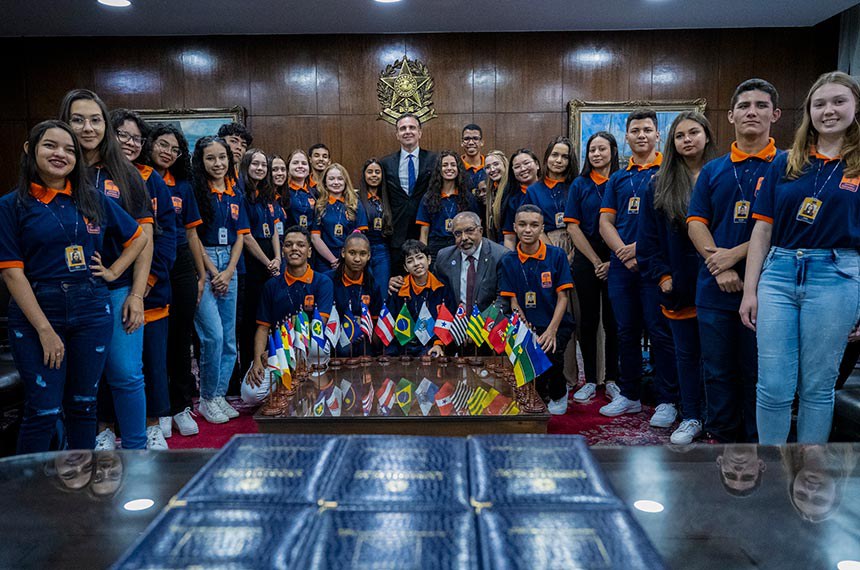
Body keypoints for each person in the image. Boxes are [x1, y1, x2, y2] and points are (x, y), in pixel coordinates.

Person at [0, 120, 146, 453]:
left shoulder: (92, 199)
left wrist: (113, 271)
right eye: (50, 145)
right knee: (43, 409)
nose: (60, 154)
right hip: (38, 312)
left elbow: (138, 238)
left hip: (92, 308)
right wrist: (44, 330)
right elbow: (11, 273)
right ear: (30, 150)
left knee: (84, 404)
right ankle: (31, 494)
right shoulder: (11, 205)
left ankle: (81, 485)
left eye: (69, 150)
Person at [742, 71, 860, 444]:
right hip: (778, 273)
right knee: (773, 385)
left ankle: (811, 478)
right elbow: (761, 231)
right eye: (819, 103)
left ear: (855, 107)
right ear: (808, 111)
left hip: (837, 276)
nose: (829, 111)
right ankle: (775, 474)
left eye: (838, 101)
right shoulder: (785, 163)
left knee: (817, 387)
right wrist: (750, 291)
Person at [687, 78, 783, 443]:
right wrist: (721, 265)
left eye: (760, 105)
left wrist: (737, 255)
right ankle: (722, 441)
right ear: (731, 116)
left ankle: (760, 444)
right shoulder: (713, 170)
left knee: (758, 370)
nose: (752, 112)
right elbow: (696, 222)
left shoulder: (788, 166)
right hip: (714, 288)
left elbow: (783, 228)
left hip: (769, 288)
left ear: (774, 114)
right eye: (744, 106)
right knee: (716, 369)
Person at [59, 89, 154, 451]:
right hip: (64, 294)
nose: (87, 128)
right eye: (77, 119)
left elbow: (145, 236)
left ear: (106, 126)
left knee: (127, 376)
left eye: (95, 120)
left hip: (117, 292)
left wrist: (134, 292)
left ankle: (136, 454)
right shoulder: (57, 166)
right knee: (74, 382)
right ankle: (75, 459)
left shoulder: (126, 174)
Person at [638, 112, 719, 445]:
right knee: (685, 354)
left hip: (720, 281)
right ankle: (691, 415)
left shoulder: (722, 175)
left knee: (717, 357)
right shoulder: (658, 183)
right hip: (679, 285)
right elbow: (648, 241)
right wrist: (663, 278)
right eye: (680, 135)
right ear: (671, 143)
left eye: (694, 133)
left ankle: (718, 416)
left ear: (707, 136)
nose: (688, 140)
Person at [597, 108, 679, 428]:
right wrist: (622, 252)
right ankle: (629, 394)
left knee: (660, 332)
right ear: (627, 137)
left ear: (658, 135)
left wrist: (640, 250)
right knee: (625, 331)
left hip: (655, 265)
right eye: (635, 130)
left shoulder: (670, 173)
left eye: (647, 129)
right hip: (622, 266)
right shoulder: (618, 178)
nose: (641, 135)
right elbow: (605, 221)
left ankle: (667, 399)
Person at [109, 109, 178, 450]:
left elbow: (164, 236)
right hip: (103, 286)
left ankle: (151, 424)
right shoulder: (90, 176)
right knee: (109, 364)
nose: (130, 143)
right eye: (123, 136)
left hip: (148, 289)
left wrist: (147, 280)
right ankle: (104, 429)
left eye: (136, 138)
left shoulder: (151, 179)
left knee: (148, 363)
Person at [146, 123, 206, 438]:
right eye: (163, 145)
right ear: (149, 144)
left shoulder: (182, 185)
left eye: (174, 148)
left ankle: (182, 406)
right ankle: (158, 410)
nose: (168, 152)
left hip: (181, 262)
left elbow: (192, 232)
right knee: (153, 341)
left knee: (181, 338)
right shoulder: (134, 177)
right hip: (146, 262)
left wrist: (200, 274)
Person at [191, 136, 250, 424]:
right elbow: (193, 238)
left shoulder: (235, 192)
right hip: (203, 262)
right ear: (201, 162)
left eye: (222, 157)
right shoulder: (195, 191)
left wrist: (228, 272)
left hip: (231, 263)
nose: (218, 164)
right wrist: (215, 273)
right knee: (212, 336)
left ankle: (218, 396)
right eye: (211, 158)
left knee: (229, 339)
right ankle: (205, 397)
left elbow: (241, 236)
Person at [499, 205, 575, 415]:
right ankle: (541, 390)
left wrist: (551, 330)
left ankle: (560, 393)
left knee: (552, 352)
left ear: (542, 227)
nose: (528, 230)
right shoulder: (508, 260)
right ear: (514, 227)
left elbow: (563, 298)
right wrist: (520, 318)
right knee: (534, 374)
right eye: (522, 224)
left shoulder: (556, 255)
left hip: (555, 321)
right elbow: (512, 300)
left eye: (534, 225)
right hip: (528, 322)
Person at [566, 131, 621, 404]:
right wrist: (597, 262)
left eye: (602, 149)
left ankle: (612, 379)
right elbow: (572, 226)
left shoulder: (622, 181)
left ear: (613, 150)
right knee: (586, 321)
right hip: (586, 261)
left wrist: (613, 260)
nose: (597, 154)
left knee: (614, 322)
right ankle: (589, 380)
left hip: (619, 259)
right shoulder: (580, 184)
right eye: (592, 150)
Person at [247, 226, 334, 387]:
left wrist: (285, 352)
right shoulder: (271, 286)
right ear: (283, 251)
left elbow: (318, 326)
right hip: (280, 351)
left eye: (300, 245)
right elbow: (263, 328)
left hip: (310, 350)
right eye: (288, 245)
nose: (294, 248)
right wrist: (258, 360)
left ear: (309, 251)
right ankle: (286, 380)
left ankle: (309, 379)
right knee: (250, 393)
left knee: (317, 345)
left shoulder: (323, 282)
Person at [237, 148, 281, 391]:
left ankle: (270, 369)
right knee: (251, 321)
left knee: (270, 318)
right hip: (252, 265)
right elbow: (246, 237)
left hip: (271, 263)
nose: (260, 168)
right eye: (255, 164)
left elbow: (274, 229)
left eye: (264, 165)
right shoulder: (240, 195)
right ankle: (248, 374)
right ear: (247, 165)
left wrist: (277, 257)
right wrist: (267, 262)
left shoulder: (267, 196)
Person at [380, 113, 438, 270]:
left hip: (427, 232)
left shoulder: (435, 160)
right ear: (397, 135)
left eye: (412, 127)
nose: (407, 131)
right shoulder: (385, 163)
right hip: (396, 235)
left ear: (420, 132)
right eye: (403, 128)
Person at [433, 211, 509, 315]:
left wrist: (481, 325)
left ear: (480, 231)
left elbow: (503, 299)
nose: (464, 238)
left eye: (469, 231)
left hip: (488, 323)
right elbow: (438, 294)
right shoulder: (444, 257)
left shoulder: (500, 256)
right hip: (456, 324)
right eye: (458, 233)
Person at [386, 240, 452, 357]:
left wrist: (438, 344)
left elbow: (445, 321)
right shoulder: (399, 289)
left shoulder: (441, 288)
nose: (416, 263)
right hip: (404, 345)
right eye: (410, 261)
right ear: (406, 268)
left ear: (429, 260)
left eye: (420, 258)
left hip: (431, 344)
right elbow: (391, 322)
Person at [416, 151, 479, 258]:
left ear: (459, 169)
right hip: (436, 249)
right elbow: (424, 233)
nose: (449, 168)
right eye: (445, 165)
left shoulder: (468, 198)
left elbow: (477, 228)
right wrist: (425, 256)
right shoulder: (428, 198)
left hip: (462, 245)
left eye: (453, 165)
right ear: (439, 170)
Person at [331, 232, 383, 357]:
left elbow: (377, 323)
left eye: (363, 254)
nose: (357, 259)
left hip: (364, 340)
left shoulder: (373, 285)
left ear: (369, 256)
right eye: (352, 253)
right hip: (337, 340)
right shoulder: (329, 281)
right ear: (343, 253)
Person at [310, 163, 368, 272]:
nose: (336, 182)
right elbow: (315, 238)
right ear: (325, 183)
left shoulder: (355, 204)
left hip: (350, 260)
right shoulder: (319, 205)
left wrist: (346, 258)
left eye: (340, 179)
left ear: (345, 181)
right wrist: (333, 260)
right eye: (331, 179)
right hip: (325, 261)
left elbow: (359, 236)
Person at [525, 136, 578, 252]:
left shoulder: (577, 186)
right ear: (547, 157)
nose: (559, 160)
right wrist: (554, 253)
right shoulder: (533, 190)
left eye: (565, 157)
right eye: (554, 155)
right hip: (545, 245)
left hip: (577, 244)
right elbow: (533, 226)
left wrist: (574, 253)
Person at [357, 158, 394, 291]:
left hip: (382, 251)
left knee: (381, 292)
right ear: (364, 175)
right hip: (360, 250)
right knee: (363, 292)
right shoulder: (356, 198)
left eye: (377, 172)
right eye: (370, 172)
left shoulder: (387, 198)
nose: (374, 175)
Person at [500, 149, 541, 250]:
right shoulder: (512, 199)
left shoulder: (550, 191)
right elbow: (509, 238)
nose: (523, 169)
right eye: (517, 167)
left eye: (526, 163)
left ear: (537, 164)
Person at [279, 149, 316, 231]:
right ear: (288, 167)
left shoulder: (315, 193)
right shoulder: (281, 191)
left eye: (304, 163)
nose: (300, 166)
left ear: (309, 168)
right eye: (295, 163)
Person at [485, 151, 509, 242]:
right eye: (487, 167)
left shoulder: (511, 190)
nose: (492, 169)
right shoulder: (493, 190)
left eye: (496, 164)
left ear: (505, 164)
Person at [460, 124, 486, 192]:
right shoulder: (455, 167)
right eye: (466, 139)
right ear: (462, 142)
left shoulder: (490, 166)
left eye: (475, 138)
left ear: (482, 142)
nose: (471, 142)